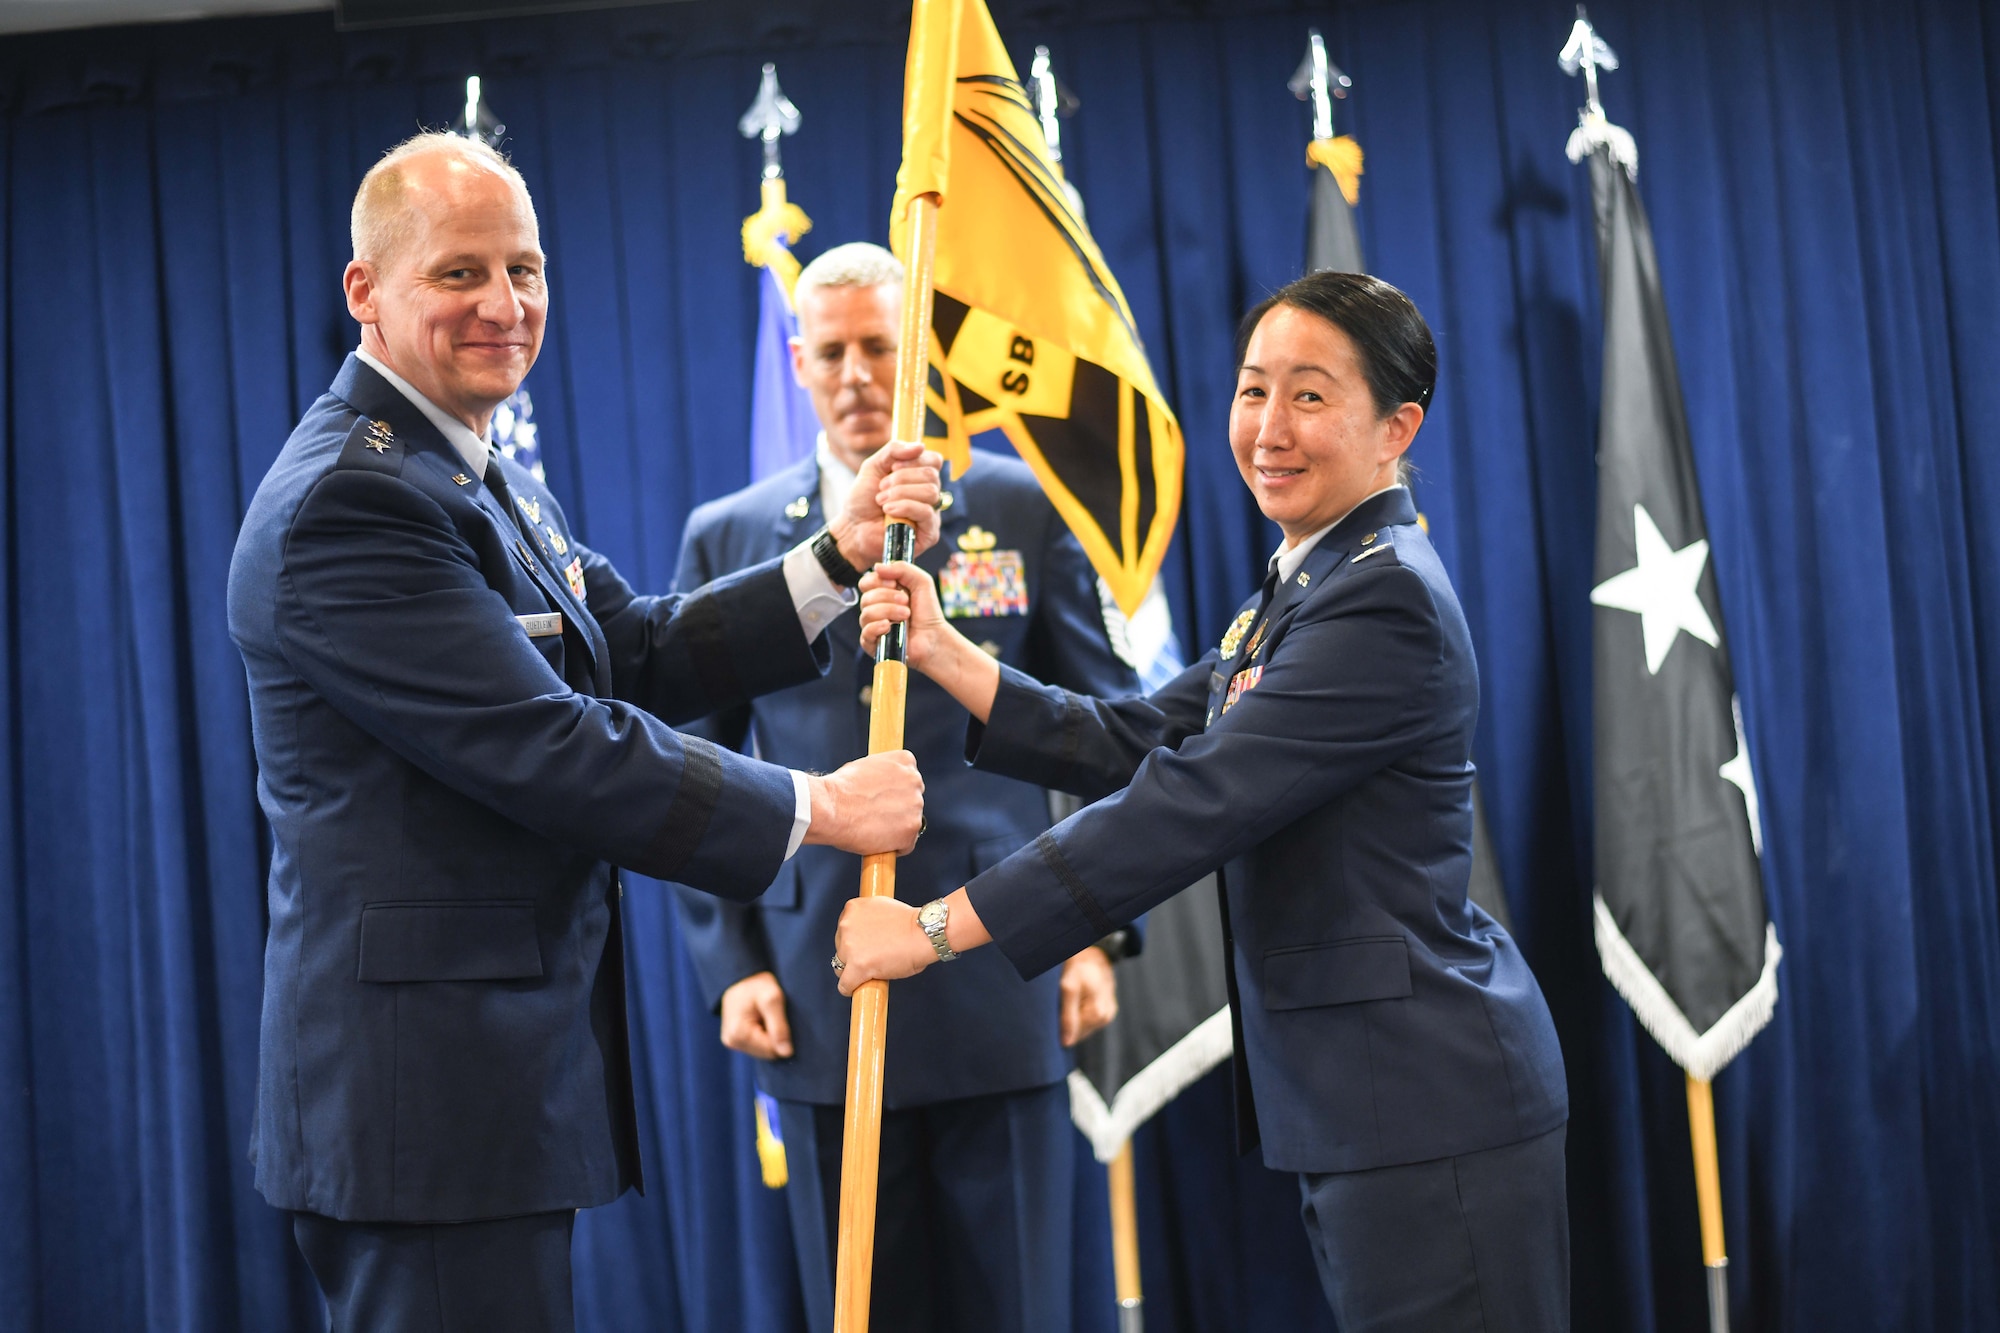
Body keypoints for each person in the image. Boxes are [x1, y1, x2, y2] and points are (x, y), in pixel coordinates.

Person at [226, 133, 943, 1333]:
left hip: (486, 1088)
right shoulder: (353, 503)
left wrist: (836, 556)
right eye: (460, 273)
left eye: (526, 269)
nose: (504, 305)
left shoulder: (473, 467)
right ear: (366, 291)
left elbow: (638, 648)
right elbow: (551, 747)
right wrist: (818, 806)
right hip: (426, 1108)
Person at [836, 271, 1571, 1332]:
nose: (1267, 427)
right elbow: (1141, 736)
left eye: (1309, 396)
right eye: (1250, 389)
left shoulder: (1382, 598)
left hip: (1427, 1106)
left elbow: (1185, 804)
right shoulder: (1306, 578)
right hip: (1367, 1104)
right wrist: (948, 652)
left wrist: (933, 928)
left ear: (1395, 427)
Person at [671, 241, 1139, 1333]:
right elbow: (695, 769)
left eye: (877, 346)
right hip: (817, 976)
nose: (853, 375)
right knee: (860, 1310)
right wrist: (728, 961)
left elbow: (1105, 737)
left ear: (917, 349)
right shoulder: (731, 538)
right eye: (828, 351)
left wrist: (1092, 933)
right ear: (795, 361)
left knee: (1012, 1302)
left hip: (1002, 963)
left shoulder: (1020, 510)